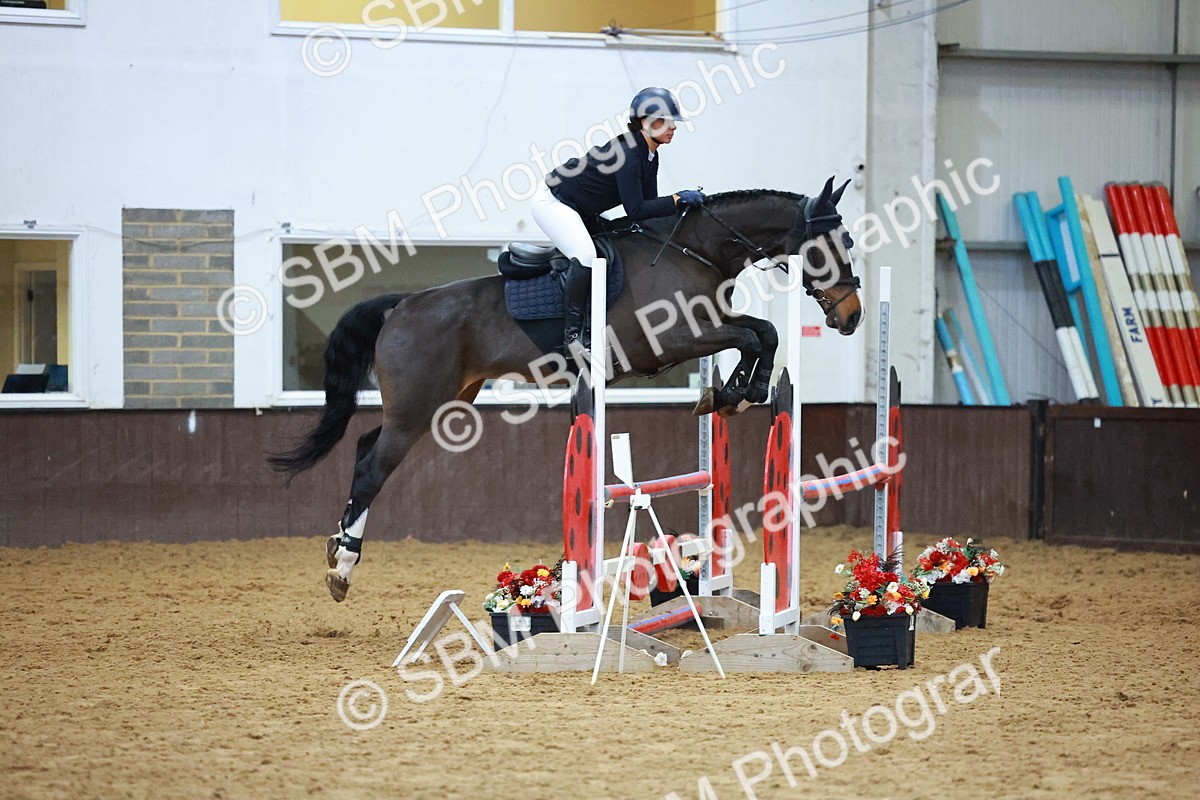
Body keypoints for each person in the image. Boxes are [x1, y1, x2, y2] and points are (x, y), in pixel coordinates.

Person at [531, 87, 706, 352]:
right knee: (587, 256)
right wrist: (677, 199)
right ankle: (571, 338)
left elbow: (649, 210)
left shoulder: (650, 155)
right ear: (647, 123)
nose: (673, 127)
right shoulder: (629, 154)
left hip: (581, 208)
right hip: (553, 203)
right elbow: (636, 209)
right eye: (667, 121)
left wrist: (680, 210)